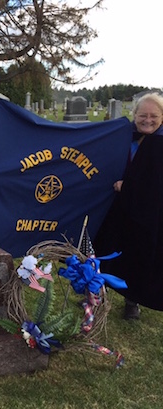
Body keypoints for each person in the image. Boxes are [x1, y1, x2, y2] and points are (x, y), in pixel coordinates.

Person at [94, 92, 163, 320]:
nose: (148, 120)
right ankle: (96, 294)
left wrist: (129, 187)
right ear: (134, 115)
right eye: (143, 115)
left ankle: (132, 300)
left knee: (138, 255)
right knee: (104, 249)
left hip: (147, 215)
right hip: (116, 207)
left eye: (154, 116)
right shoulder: (125, 137)